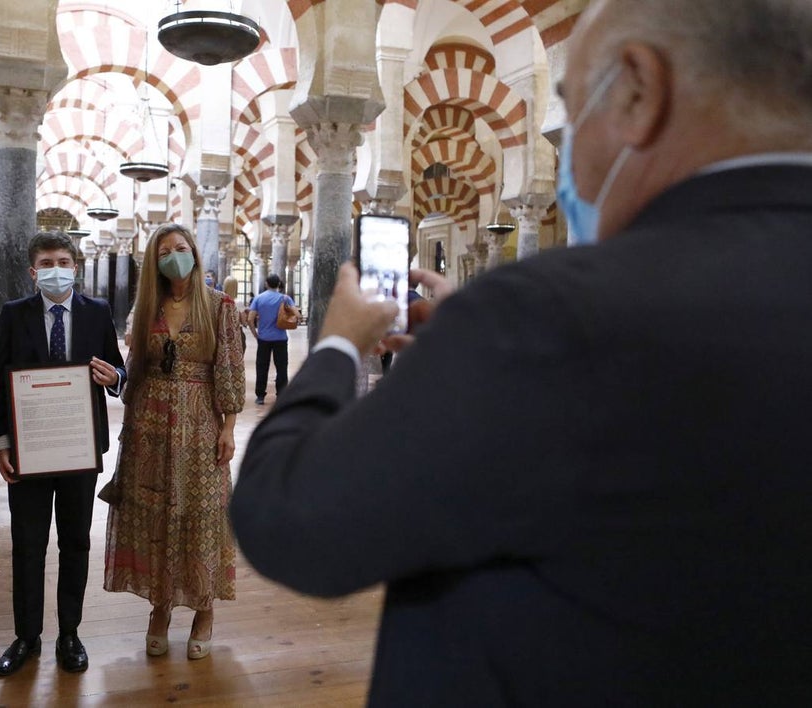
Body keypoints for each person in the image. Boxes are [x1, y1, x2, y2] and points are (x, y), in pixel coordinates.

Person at [230, 0, 812, 704]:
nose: (564, 154)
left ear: (636, 90)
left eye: (568, 113)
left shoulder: (546, 319)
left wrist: (335, 346)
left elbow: (289, 522)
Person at [103, 223, 245, 660]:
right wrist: (119, 385)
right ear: (154, 260)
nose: (174, 256)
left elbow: (229, 370)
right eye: (165, 250)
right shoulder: (148, 306)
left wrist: (228, 427)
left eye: (181, 248)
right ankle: (159, 609)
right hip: (150, 425)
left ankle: (204, 610)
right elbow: (135, 368)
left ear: (195, 253)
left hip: (200, 422)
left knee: (200, 514)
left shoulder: (219, 306)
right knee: (157, 514)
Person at [0, 231, 126, 677]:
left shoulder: (97, 311)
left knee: (76, 541)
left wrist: (115, 378)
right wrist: (2, 441)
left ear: (76, 267)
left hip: (78, 447)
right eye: (47, 261)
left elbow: (117, 365)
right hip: (29, 450)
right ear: (33, 271)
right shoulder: (13, 314)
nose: (56, 268)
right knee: (28, 544)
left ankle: (70, 633)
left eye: (64, 260)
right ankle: (26, 637)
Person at [246, 273, 295, 405]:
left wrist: (255, 334)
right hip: (280, 338)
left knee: (262, 366)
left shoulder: (259, 298)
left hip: (264, 338)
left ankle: (260, 396)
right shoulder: (285, 299)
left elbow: (250, 319)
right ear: (279, 284)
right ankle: (282, 394)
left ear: (266, 284)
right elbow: (297, 315)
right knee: (282, 367)